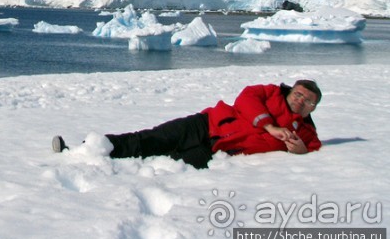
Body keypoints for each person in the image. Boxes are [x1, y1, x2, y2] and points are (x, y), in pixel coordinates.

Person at [52, 79, 322, 169]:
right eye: (298, 94)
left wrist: (298, 150)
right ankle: (83, 149)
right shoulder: (269, 92)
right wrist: (270, 127)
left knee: (166, 161)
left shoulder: (306, 132)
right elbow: (246, 99)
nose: (300, 101)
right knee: (151, 139)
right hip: (206, 124)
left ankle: (102, 165)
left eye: (307, 101)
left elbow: (311, 147)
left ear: (312, 108)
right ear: (289, 91)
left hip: (219, 152)